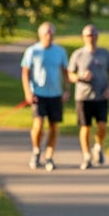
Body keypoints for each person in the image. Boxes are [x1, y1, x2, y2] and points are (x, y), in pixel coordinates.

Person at [20, 22, 70, 171]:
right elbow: (25, 72)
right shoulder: (32, 51)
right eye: (47, 32)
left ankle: (49, 155)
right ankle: (36, 150)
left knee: (54, 126)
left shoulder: (60, 51)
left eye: (51, 32)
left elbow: (65, 72)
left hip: (55, 94)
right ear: (40, 34)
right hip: (38, 94)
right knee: (38, 125)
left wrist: (67, 89)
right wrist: (28, 92)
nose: (49, 35)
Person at [68, 23, 109, 170]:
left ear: (97, 36)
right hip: (83, 96)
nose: (91, 38)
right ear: (84, 37)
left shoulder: (105, 53)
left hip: (101, 96)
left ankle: (98, 146)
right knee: (85, 127)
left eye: (93, 35)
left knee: (102, 126)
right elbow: (70, 75)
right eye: (88, 35)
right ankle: (86, 155)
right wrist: (80, 76)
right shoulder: (78, 54)